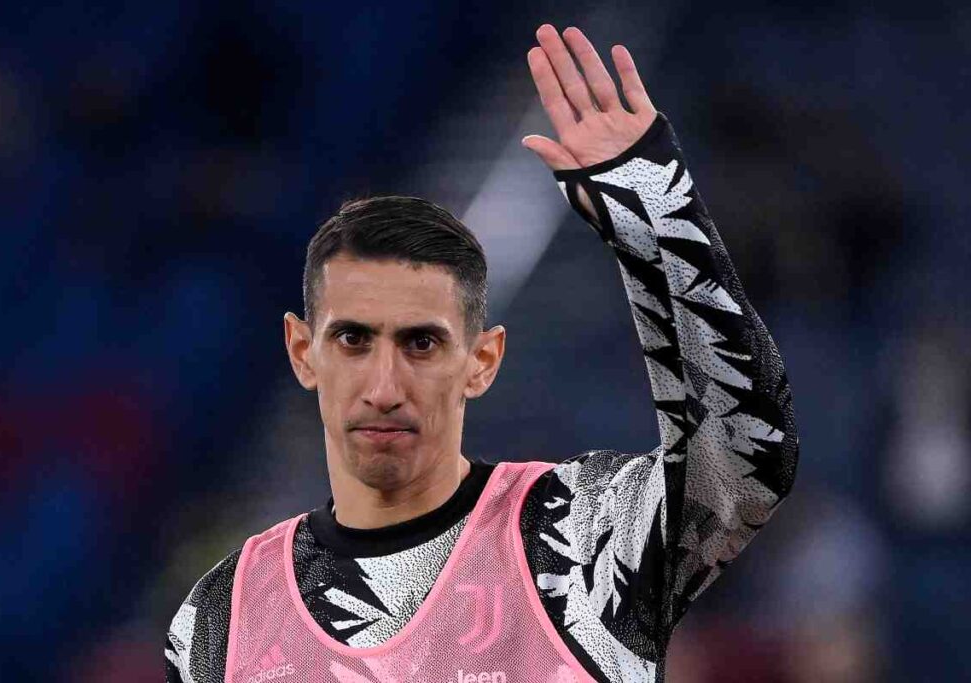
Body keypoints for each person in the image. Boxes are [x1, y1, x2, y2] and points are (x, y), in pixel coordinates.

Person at [165, 23, 798, 683]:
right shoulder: (223, 618)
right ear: (303, 352)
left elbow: (746, 458)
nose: (384, 386)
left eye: (421, 342)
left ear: (482, 361)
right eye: (353, 339)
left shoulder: (580, 540)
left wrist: (657, 212)